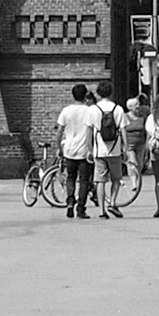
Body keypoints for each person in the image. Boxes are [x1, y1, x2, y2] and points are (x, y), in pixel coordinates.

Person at [56, 82, 98, 221]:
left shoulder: (66, 111)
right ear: (85, 95)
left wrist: (59, 147)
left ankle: (69, 201)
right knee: (84, 180)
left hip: (69, 149)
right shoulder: (89, 111)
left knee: (70, 177)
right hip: (84, 150)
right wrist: (92, 150)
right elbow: (91, 131)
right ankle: (81, 208)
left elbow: (60, 131)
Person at [91, 80, 127, 218]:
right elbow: (123, 129)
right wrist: (126, 148)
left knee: (100, 180)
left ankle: (102, 211)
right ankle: (112, 202)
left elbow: (89, 130)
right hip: (115, 149)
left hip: (99, 150)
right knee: (116, 178)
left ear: (99, 93)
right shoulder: (118, 109)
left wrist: (90, 148)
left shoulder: (93, 109)